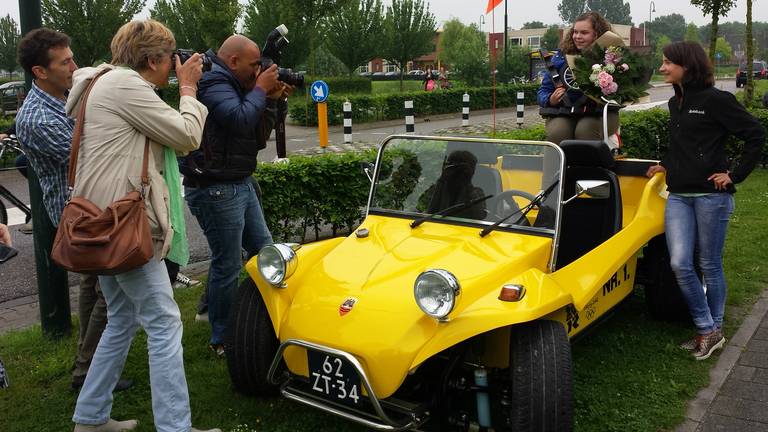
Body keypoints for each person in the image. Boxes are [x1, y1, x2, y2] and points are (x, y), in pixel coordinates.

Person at [65, 20, 219, 432]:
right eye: (170, 59)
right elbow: (187, 135)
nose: (174, 66)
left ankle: (91, 417)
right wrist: (188, 89)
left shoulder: (101, 82)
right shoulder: (126, 87)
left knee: (121, 317)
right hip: (124, 224)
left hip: (99, 220)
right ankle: (175, 428)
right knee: (164, 322)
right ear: (152, 59)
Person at [15, 28, 133, 393]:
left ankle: (88, 367)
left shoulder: (67, 95)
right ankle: (87, 374)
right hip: (82, 215)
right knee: (107, 293)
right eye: (65, 62)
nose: (74, 66)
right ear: (40, 72)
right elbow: (89, 154)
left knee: (93, 287)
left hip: (91, 207)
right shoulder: (35, 118)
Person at [646, 41, 765, 360]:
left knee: (709, 264)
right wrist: (667, 166)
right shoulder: (676, 103)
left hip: (712, 198)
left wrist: (734, 175)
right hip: (679, 197)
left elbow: (756, 134)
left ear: (688, 65)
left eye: (668, 62)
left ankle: (711, 329)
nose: (662, 68)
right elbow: (682, 144)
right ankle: (708, 328)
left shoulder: (716, 100)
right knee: (680, 264)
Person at [181, 34, 282, 357]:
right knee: (227, 264)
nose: (257, 71)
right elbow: (239, 120)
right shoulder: (213, 82)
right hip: (216, 187)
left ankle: (258, 317)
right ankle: (221, 338)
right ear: (234, 61)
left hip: (238, 180)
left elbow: (257, 134)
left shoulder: (236, 84)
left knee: (262, 250)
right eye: (254, 66)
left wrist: (273, 98)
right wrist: (260, 89)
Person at [537, 11, 620, 145]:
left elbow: (624, 90)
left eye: (584, 33)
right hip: (565, 112)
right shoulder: (559, 58)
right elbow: (543, 92)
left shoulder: (611, 57)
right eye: (575, 32)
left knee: (585, 131)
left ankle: (589, 166)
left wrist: (607, 89)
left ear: (597, 34)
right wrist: (550, 99)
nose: (577, 36)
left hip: (598, 114)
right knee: (558, 133)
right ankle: (555, 167)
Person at [424, 150, 487, 220]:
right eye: (455, 168)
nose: (458, 172)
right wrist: (442, 180)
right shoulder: (437, 189)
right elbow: (426, 214)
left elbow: (480, 217)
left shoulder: (477, 193)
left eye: (463, 168)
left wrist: (467, 184)